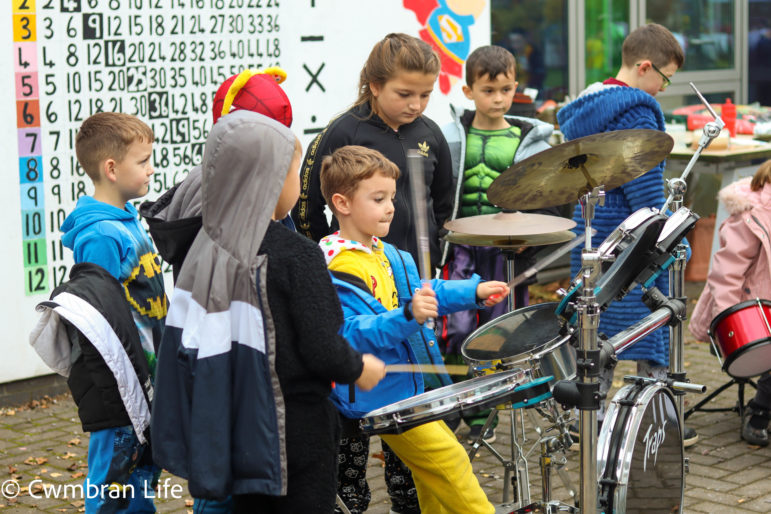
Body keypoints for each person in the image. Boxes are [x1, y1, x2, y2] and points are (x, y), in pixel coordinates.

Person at [150, 111, 386, 513]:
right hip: (295, 429)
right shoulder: (297, 255)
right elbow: (321, 348)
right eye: (294, 172)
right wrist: (358, 367)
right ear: (270, 181)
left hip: (236, 422)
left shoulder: (204, 248)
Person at [291, 32, 453, 513]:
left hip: (405, 288)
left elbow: (442, 205)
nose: (416, 104)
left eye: (425, 94)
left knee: (408, 405)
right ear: (374, 85)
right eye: (405, 93)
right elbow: (305, 210)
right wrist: (330, 271)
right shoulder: (341, 133)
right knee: (351, 417)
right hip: (351, 293)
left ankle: (409, 500)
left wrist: (427, 268)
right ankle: (350, 498)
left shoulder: (430, 134)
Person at [319, 145, 509, 514]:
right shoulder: (340, 266)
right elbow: (353, 333)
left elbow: (425, 292)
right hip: (380, 395)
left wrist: (473, 291)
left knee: (432, 476)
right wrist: (408, 316)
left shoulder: (384, 253)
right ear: (342, 203)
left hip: (406, 389)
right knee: (450, 461)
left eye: (392, 197)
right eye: (378, 198)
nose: (391, 207)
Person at [556, 23, 698, 447]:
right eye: (665, 78)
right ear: (644, 66)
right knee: (650, 328)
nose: (664, 89)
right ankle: (660, 424)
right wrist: (669, 237)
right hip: (632, 240)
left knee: (596, 333)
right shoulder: (637, 109)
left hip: (593, 234)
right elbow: (645, 189)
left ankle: (592, 423)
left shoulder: (588, 104)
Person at [439, 44, 556, 444]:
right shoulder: (451, 136)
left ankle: (482, 415)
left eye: (505, 89)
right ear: (469, 90)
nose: (498, 98)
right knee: (453, 327)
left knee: (497, 332)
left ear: (515, 88)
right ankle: (456, 404)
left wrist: (530, 243)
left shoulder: (528, 140)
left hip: (505, 251)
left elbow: (546, 196)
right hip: (460, 246)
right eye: (488, 90)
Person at [57, 112, 167, 512]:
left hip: (147, 380)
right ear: (111, 168)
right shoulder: (102, 236)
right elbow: (97, 322)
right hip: (123, 390)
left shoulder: (129, 222)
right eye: (143, 161)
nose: (151, 168)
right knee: (112, 488)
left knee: (141, 478)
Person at [689, 160, 771, 446]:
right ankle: (759, 411)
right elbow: (726, 274)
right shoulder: (752, 214)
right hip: (745, 317)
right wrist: (727, 321)